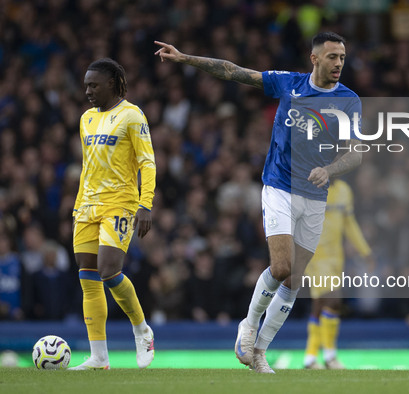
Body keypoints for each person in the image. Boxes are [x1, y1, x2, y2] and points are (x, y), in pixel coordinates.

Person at [155, 32, 363, 373]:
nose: (339, 63)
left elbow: (356, 151)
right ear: (315, 59)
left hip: (315, 195)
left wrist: (330, 168)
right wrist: (185, 58)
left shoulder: (348, 100)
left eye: (342, 57)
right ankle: (248, 327)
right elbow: (231, 70)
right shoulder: (288, 84)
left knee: (295, 279)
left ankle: (260, 351)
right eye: (332, 57)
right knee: (281, 268)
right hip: (279, 186)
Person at [69, 58, 156, 370]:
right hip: (87, 206)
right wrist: (79, 205)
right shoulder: (86, 119)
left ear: (112, 83)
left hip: (120, 203)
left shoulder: (132, 116)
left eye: (94, 85)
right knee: (87, 276)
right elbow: (87, 167)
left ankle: (141, 329)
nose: (88, 90)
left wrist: (145, 204)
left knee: (109, 270)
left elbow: (147, 162)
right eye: (86, 85)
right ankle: (99, 357)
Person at [302, 179, 373, 369]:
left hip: (336, 257)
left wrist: (364, 251)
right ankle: (330, 356)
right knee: (334, 300)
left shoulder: (344, 189)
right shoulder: (309, 187)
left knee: (320, 304)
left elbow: (349, 223)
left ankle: (310, 357)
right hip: (315, 255)